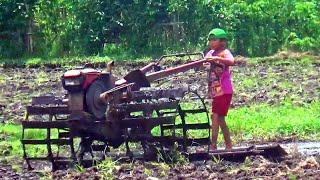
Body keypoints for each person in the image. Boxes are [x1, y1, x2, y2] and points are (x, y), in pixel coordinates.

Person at [203, 28, 235, 150]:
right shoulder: (210, 53)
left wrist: (218, 59)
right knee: (220, 118)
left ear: (222, 41)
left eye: (214, 40)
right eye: (210, 40)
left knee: (215, 116)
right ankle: (228, 145)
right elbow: (204, 63)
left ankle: (213, 145)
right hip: (215, 90)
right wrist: (207, 62)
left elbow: (232, 61)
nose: (211, 42)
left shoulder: (224, 52)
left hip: (224, 90)